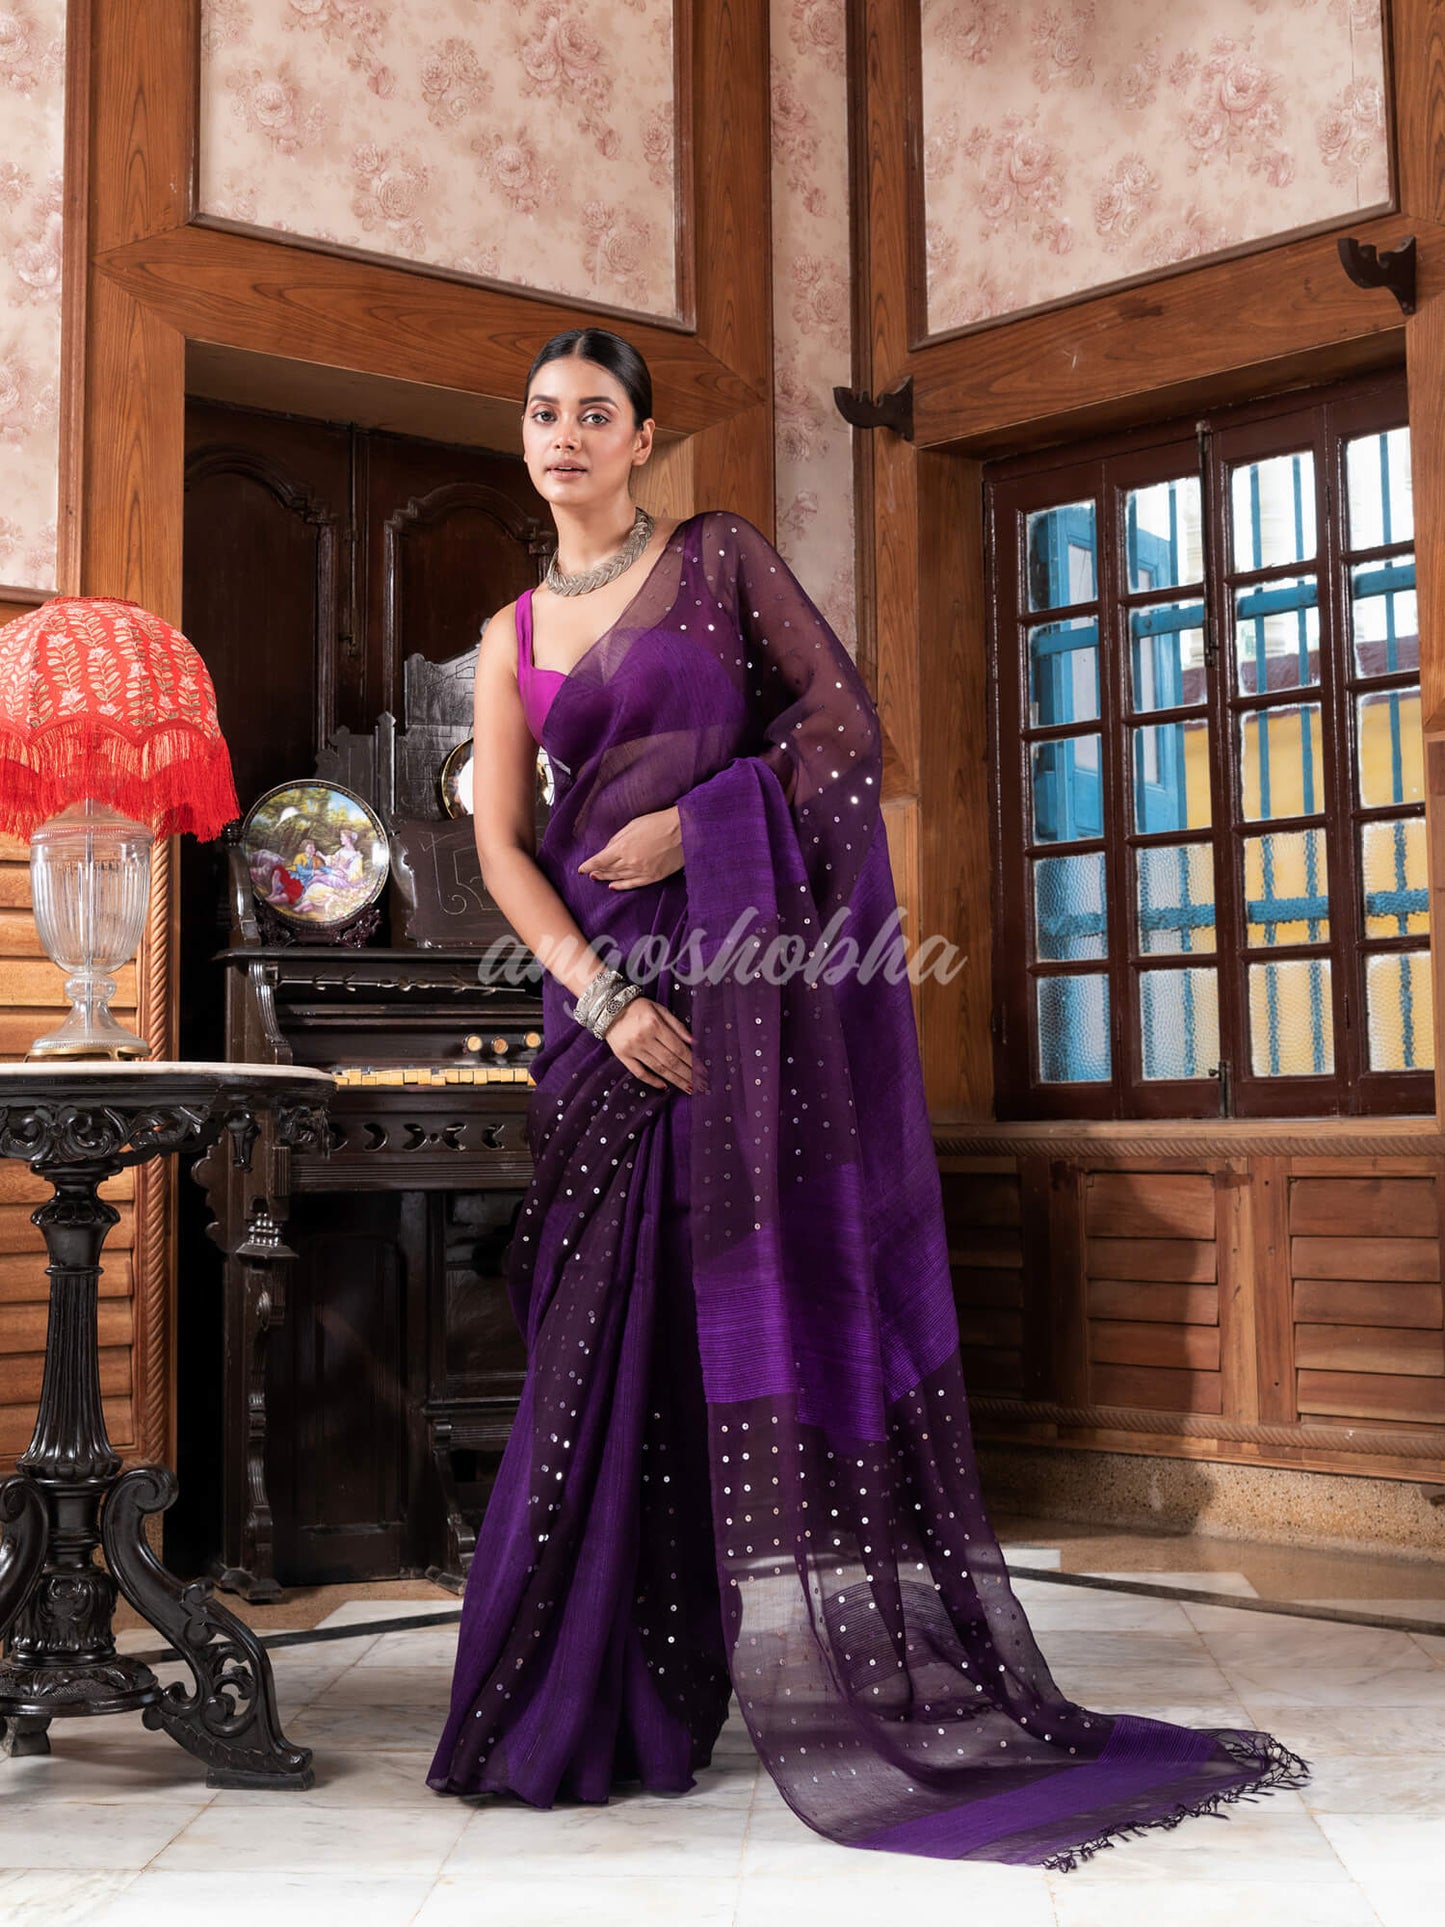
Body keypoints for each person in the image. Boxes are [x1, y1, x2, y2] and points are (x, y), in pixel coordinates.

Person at [427, 326, 1308, 1868]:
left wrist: (703, 825)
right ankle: (587, 1698)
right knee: (593, 1344)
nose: (563, 435)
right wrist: (602, 997)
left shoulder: (718, 561)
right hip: (603, 1010)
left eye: (595, 414)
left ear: (641, 439)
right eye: (543, 413)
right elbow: (503, 845)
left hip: (742, 984)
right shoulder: (508, 636)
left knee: (724, 1324)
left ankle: (709, 1677)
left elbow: (845, 733)